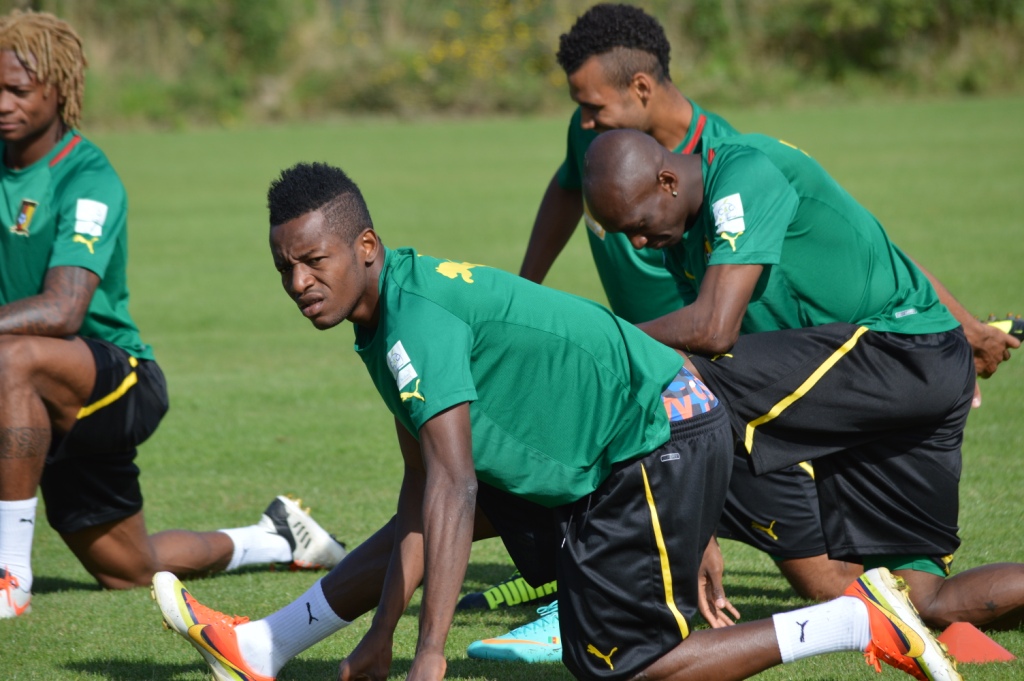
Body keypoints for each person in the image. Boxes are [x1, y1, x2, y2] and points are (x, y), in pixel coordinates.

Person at [150, 161, 961, 681]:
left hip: (657, 439)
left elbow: (456, 488)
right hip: (617, 444)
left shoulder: (414, 322)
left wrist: (428, 654)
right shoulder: (383, 314)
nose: (297, 282)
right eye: (284, 267)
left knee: (627, 667)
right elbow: (423, 492)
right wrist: (383, 634)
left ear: (364, 245)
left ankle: (852, 618)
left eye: (312, 260)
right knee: (445, 517)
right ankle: (267, 645)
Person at [580, 127, 1024, 634]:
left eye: (638, 225)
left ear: (667, 181)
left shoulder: (742, 172)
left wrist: (606, 337)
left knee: (673, 376)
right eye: (624, 234)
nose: (637, 242)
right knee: (922, 601)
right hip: (910, 372)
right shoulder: (681, 240)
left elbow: (711, 331)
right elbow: (700, 353)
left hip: (899, 354)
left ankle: (603, 599)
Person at [0, 10, 346, 619]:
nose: (4, 103)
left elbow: (62, 308)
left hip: (115, 380)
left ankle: (9, 577)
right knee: (129, 569)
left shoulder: (86, 176)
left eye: (18, 90)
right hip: (30, 394)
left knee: (12, 358)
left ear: (60, 88)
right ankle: (277, 537)